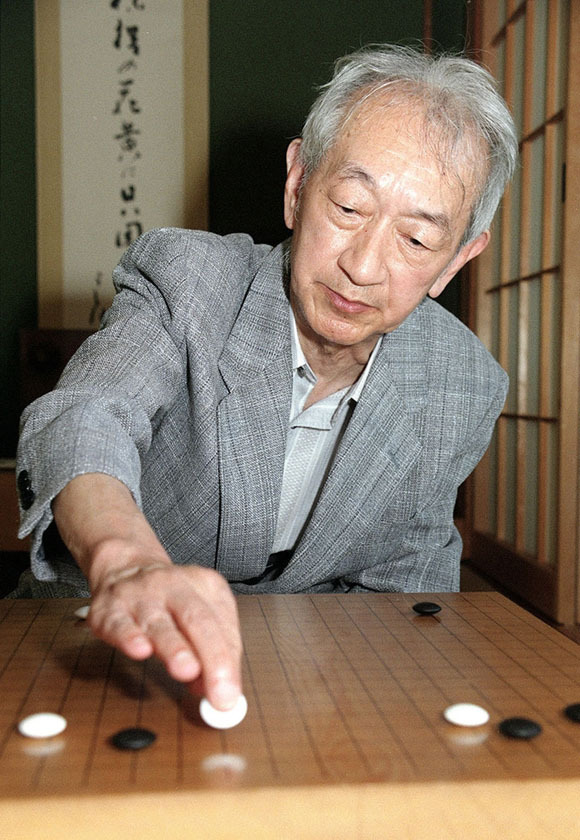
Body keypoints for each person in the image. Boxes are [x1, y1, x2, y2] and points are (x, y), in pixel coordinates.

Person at [16, 45, 517, 713]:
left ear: (457, 260)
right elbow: (86, 415)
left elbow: (408, 591)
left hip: (311, 677)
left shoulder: (462, 384)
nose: (364, 266)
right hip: (99, 649)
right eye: (349, 206)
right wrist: (127, 561)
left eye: (418, 241)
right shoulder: (190, 281)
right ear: (297, 184)